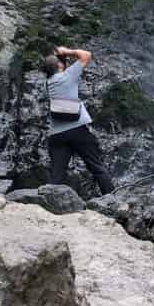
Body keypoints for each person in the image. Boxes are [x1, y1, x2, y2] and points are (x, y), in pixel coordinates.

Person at [41, 45, 114, 195]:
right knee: (97, 167)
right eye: (62, 62)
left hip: (56, 134)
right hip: (78, 131)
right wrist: (67, 51)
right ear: (60, 66)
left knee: (57, 175)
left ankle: (49, 203)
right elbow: (86, 55)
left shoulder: (47, 84)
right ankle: (113, 200)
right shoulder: (68, 76)